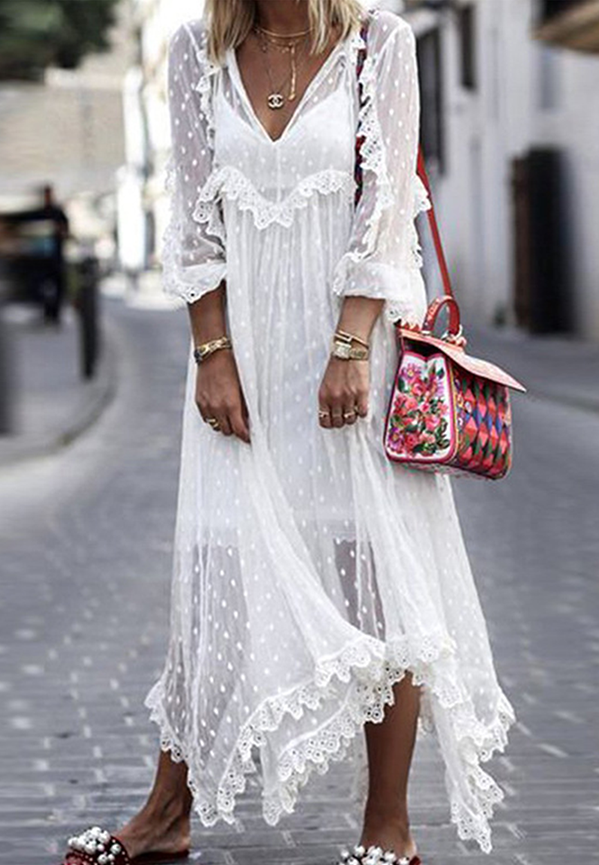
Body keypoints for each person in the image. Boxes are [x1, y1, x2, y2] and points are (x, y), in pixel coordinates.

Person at [61, 2, 516, 864]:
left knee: (377, 574)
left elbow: (384, 212)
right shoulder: (196, 50)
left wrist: (349, 347)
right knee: (216, 568)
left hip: (353, 349)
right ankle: (166, 812)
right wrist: (211, 354)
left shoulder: (379, 42)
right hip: (244, 358)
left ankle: (389, 828)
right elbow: (192, 217)